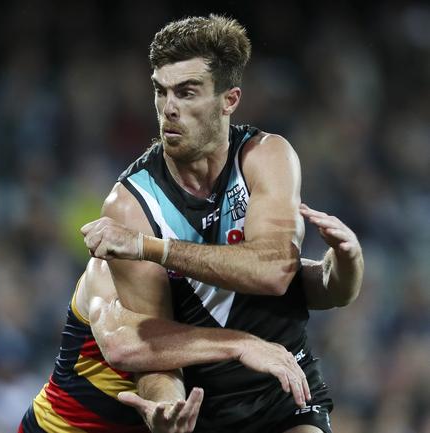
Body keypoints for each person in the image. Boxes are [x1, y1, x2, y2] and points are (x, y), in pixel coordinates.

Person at [79, 14, 364, 433]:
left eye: (186, 92)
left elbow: (276, 273)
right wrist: (166, 408)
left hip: (284, 389)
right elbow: (152, 348)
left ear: (229, 100)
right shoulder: (130, 205)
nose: (169, 108)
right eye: (161, 92)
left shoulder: (266, 157)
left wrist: (152, 249)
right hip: (204, 407)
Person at [19, 206, 361, 433]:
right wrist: (241, 345)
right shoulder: (118, 263)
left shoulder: (222, 260)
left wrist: (346, 259)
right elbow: (123, 344)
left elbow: (319, 287)